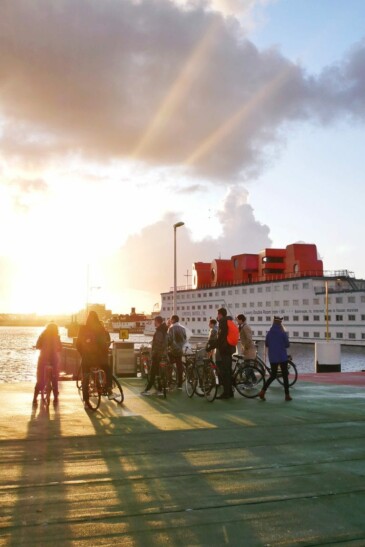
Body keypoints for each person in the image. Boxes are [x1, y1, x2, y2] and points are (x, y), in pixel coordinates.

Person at [76, 311, 112, 405]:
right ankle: (109, 389)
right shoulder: (101, 329)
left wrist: (83, 353)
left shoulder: (83, 328)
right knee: (107, 369)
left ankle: (86, 400)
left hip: (87, 359)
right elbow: (104, 344)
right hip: (99, 359)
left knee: (86, 377)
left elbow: (78, 344)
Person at [259, 316, 292, 402]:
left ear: (273, 323)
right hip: (282, 357)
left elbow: (266, 344)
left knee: (273, 375)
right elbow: (287, 344)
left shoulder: (269, 333)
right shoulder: (282, 333)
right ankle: (287, 395)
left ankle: (262, 391)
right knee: (285, 376)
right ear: (280, 323)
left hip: (273, 357)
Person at [33, 322, 62, 406]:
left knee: (40, 378)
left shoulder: (42, 336)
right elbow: (60, 348)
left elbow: (37, 346)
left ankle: (35, 398)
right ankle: (55, 398)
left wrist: (42, 347)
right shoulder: (57, 337)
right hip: (53, 360)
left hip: (43, 360)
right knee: (55, 378)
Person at [141, 316, 168, 396]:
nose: (154, 323)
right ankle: (160, 389)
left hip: (157, 355)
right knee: (159, 373)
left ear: (157, 322)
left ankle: (147, 390)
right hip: (163, 354)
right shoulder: (164, 331)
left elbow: (157, 344)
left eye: (154, 322)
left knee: (153, 373)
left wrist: (154, 353)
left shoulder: (159, 331)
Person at [216, 308, 236, 399]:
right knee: (228, 371)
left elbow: (221, 337)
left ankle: (226, 393)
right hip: (230, 349)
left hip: (225, 350)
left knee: (225, 372)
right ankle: (230, 392)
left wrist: (212, 345)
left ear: (220, 314)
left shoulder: (223, 322)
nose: (217, 316)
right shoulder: (228, 321)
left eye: (218, 314)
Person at [167, 314, 187, 389]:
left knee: (169, 364)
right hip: (180, 349)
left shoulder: (171, 328)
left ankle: (169, 381)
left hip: (173, 350)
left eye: (171, 319)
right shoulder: (183, 328)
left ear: (174, 320)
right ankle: (180, 384)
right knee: (179, 366)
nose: (170, 320)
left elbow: (169, 339)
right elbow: (185, 338)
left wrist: (167, 346)